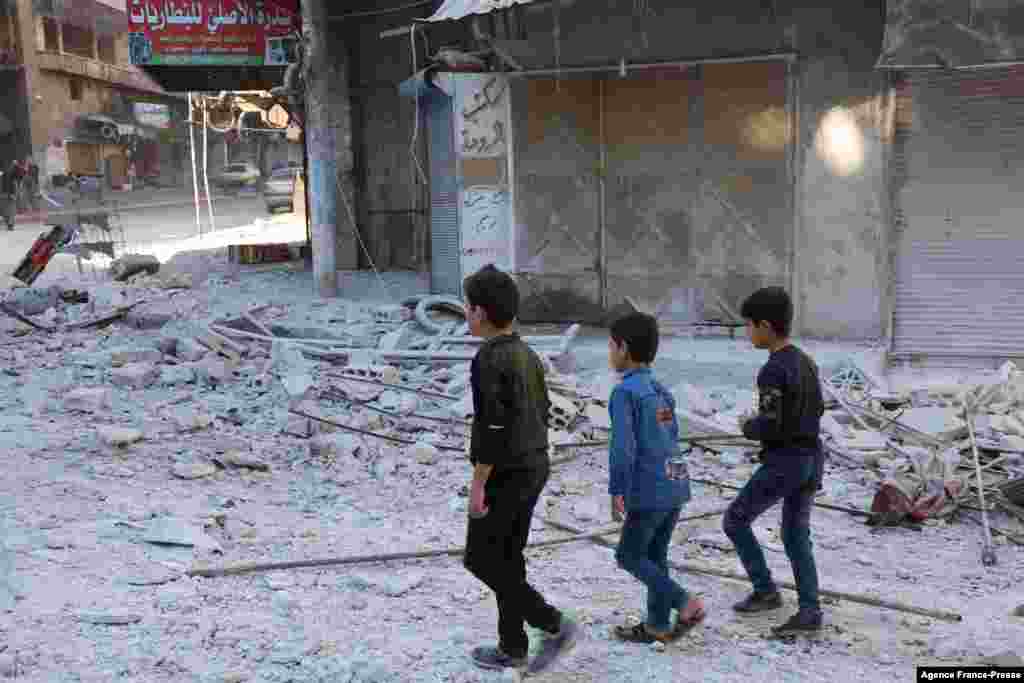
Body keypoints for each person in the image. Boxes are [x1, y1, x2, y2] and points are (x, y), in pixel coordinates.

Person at [461, 264, 578, 672]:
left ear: (480, 312)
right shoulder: (527, 354)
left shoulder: (489, 358)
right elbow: (543, 411)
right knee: (508, 558)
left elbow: (491, 427)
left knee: (480, 559)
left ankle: (553, 623)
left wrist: (479, 483)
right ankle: (512, 646)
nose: (466, 314)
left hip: (507, 472)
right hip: (534, 465)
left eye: (467, 307)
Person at [723, 287, 826, 634]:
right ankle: (809, 610)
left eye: (749, 325)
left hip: (786, 461)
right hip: (812, 457)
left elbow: (770, 423)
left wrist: (748, 426)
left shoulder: (773, 370)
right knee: (796, 535)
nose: (748, 333)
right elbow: (816, 409)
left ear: (765, 326)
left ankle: (765, 589)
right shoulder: (806, 362)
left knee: (735, 520)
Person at [607, 311, 705, 644]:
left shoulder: (625, 393)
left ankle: (685, 602)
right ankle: (658, 625)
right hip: (675, 484)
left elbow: (623, 448)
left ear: (623, 348)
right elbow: (671, 437)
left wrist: (617, 489)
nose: (610, 353)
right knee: (655, 556)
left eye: (611, 346)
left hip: (649, 489)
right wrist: (674, 484)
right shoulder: (660, 390)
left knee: (628, 556)